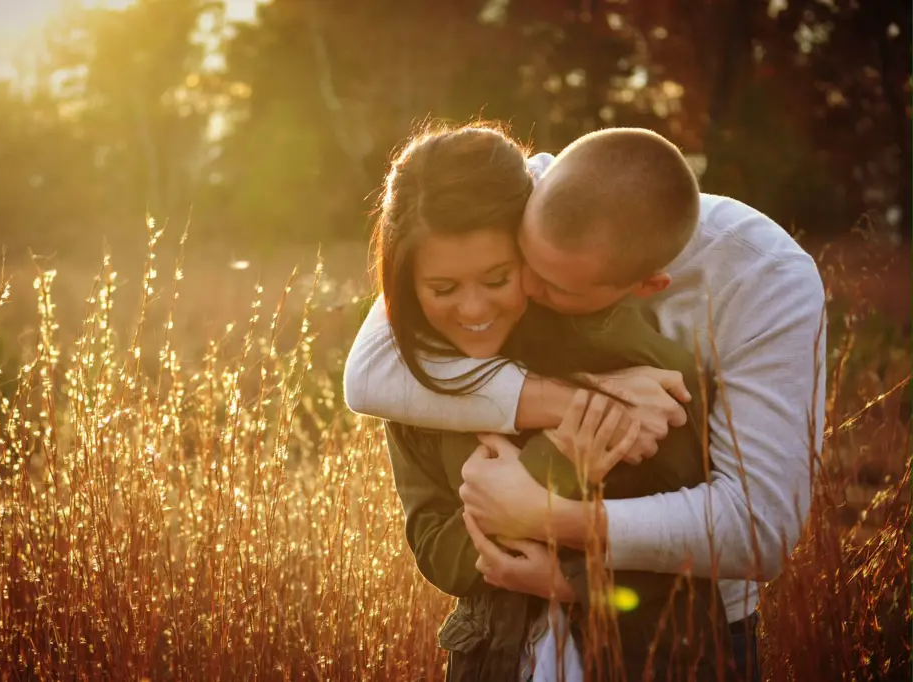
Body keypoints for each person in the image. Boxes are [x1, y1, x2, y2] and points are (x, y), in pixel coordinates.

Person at [345, 126, 827, 682]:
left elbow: (755, 531)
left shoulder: (728, 310)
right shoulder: (439, 334)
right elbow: (439, 542)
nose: (527, 294)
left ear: (645, 286)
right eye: (524, 266)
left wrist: (559, 539)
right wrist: (567, 421)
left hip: (663, 647)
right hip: (496, 651)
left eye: (508, 279)